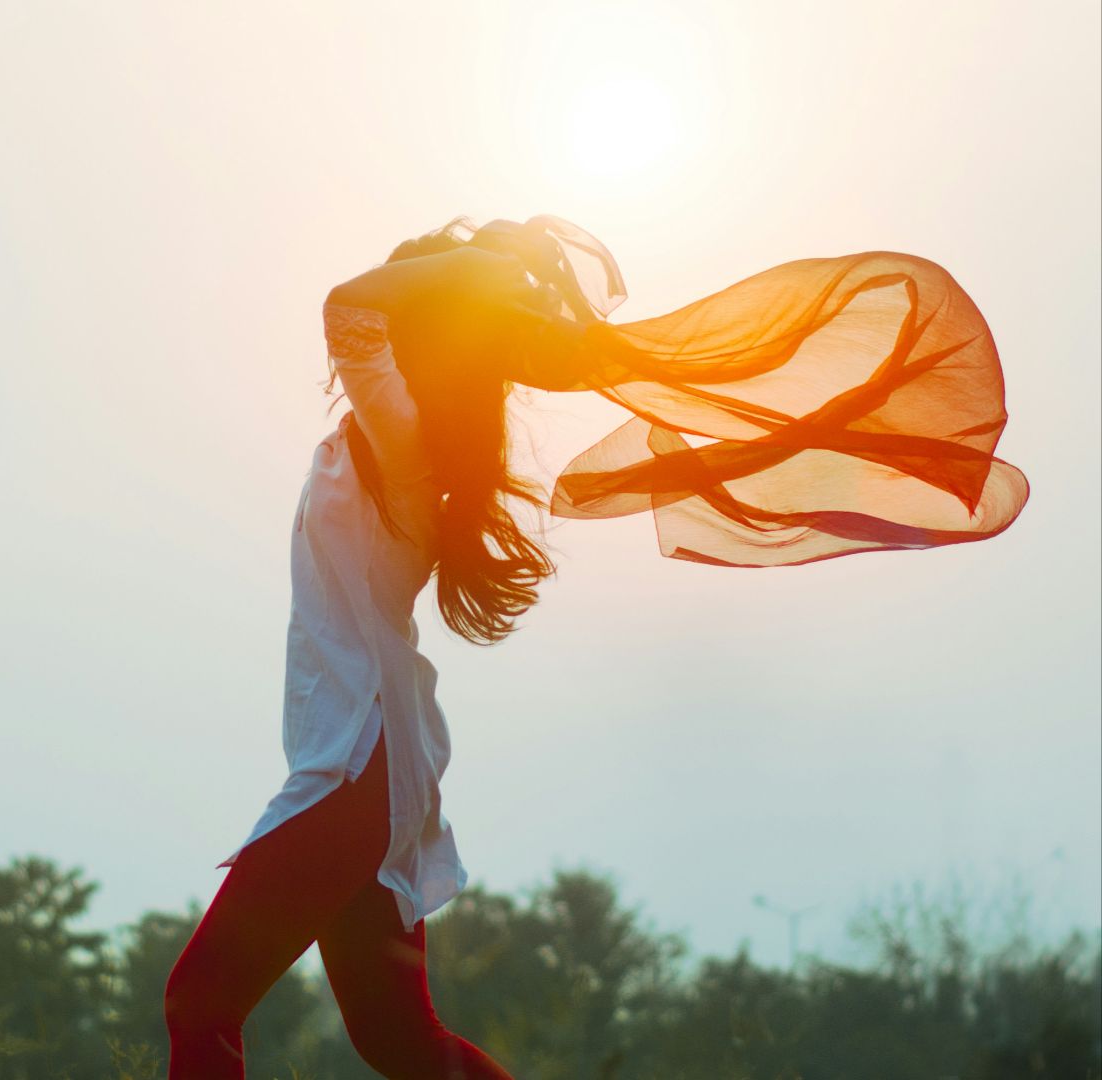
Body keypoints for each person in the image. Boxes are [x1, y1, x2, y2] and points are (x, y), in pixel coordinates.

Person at [161, 214, 1028, 1078]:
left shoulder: (404, 435)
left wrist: (470, 269)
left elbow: (349, 307)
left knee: (202, 1003)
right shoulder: (405, 437)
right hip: (367, 763)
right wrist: (474, 273)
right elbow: (367, 311)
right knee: (398, 1042)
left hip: (357, 764)